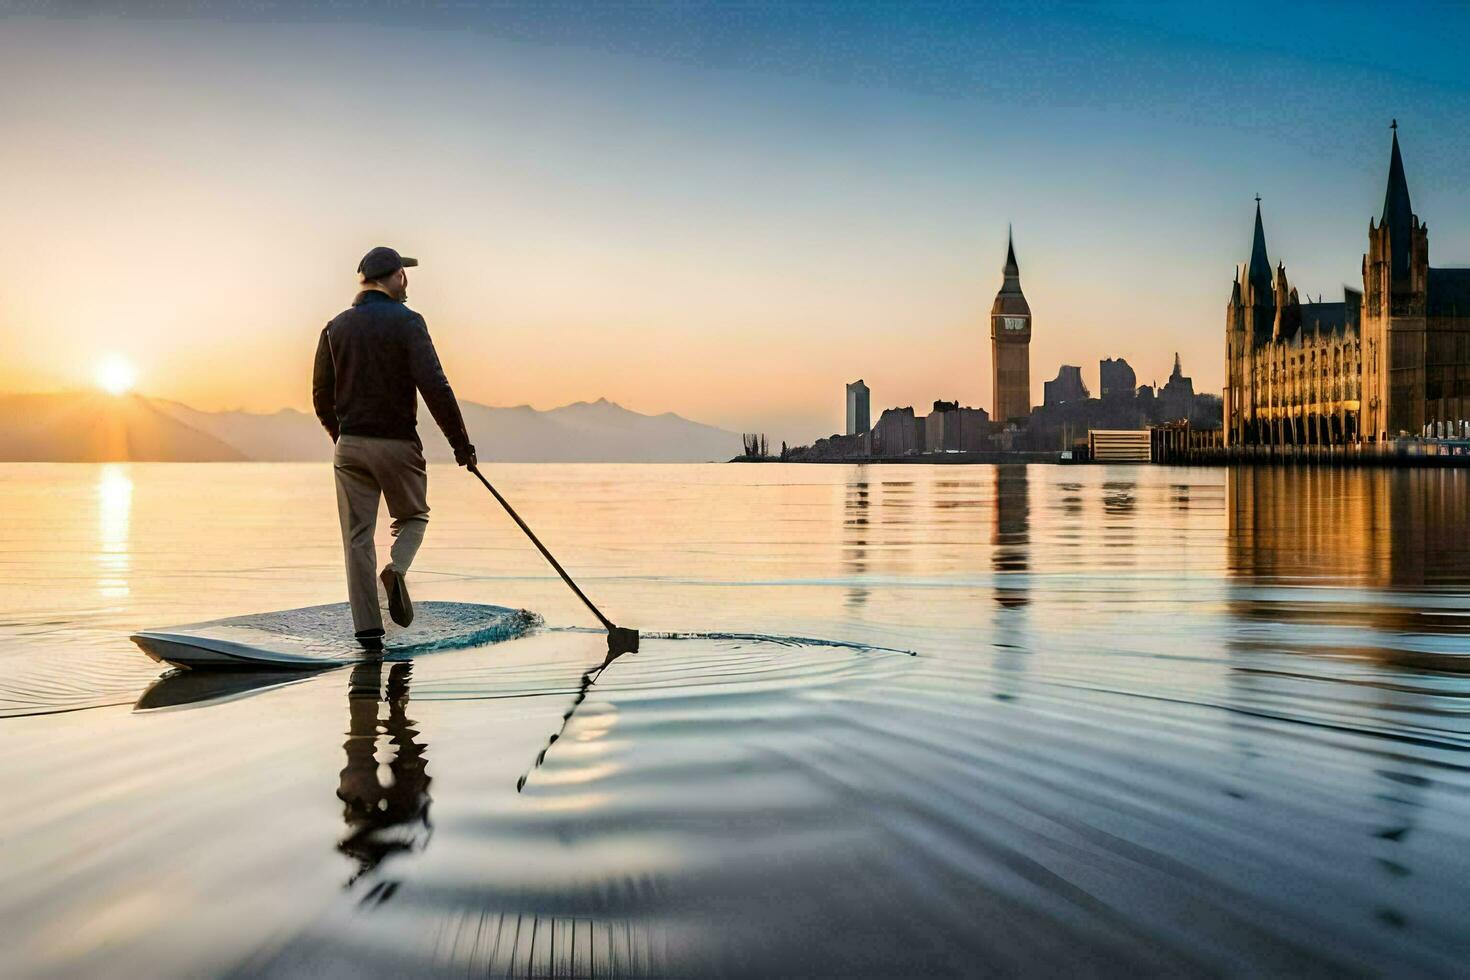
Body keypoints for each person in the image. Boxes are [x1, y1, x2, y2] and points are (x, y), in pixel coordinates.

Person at [312, 247, 477, 649]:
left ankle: (368, 631)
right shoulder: (409, 323)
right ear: (396, 276)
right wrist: (461, 445)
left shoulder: (334, 328)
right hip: (398, 444)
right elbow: (435, 385)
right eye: (405, 274)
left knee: (357, 538)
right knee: (414, 516)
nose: (407, 281)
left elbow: (321, 394)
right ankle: (397, 569)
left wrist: (342, 437)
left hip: (349, 446)